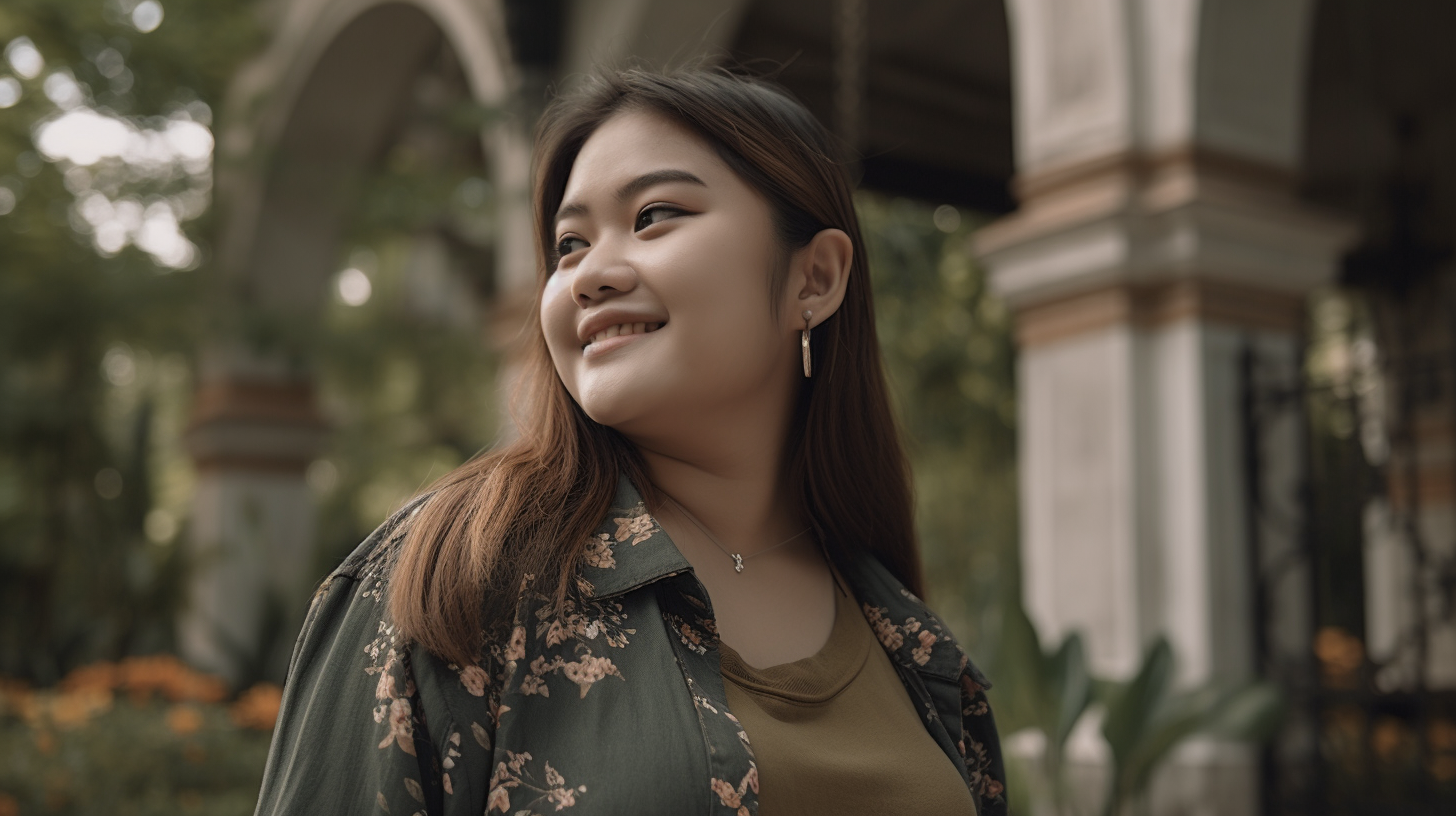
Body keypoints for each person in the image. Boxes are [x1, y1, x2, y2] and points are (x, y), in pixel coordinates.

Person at [254, 67, 1005, 816]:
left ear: (814, 279)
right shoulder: (462, 572)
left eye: (653, 216)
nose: (588, 276)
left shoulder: (916, 647)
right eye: (570, 244)